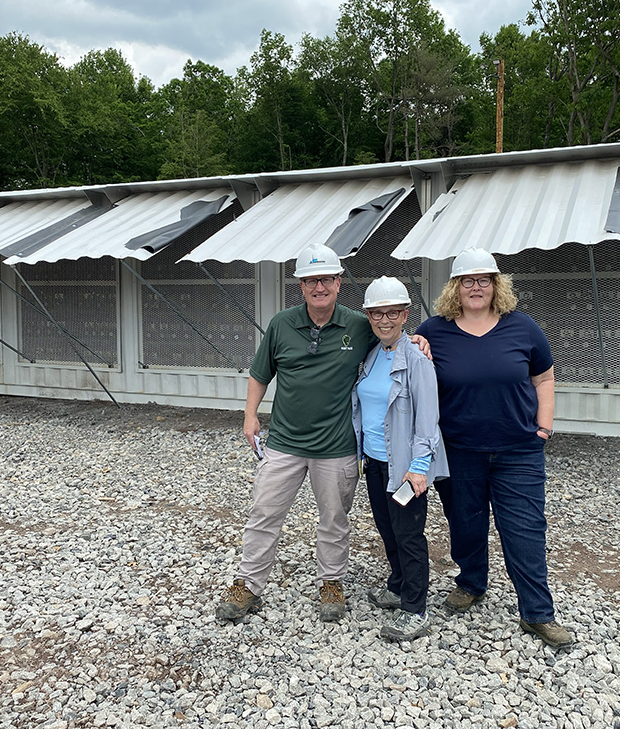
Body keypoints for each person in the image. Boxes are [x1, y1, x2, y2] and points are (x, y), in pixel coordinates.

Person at [415, 247, 573, 648]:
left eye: (484, 280)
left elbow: (545, 378)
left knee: (525, 529)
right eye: (467, 280)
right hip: (459, 450)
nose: (476, 287)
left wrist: (545, 425)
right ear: (455, 287)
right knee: (465, 524)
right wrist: (414, 343)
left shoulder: (522, 327)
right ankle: (472, 582)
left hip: (518, 450)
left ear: (496, 284)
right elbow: (410, 367)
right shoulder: (434, 330)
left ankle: (537, 612)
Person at [215, 243, 379, 623]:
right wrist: (250, 416)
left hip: (337, 446)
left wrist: (418, 340)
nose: (318, 286)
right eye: (310, 281)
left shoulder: (359, 325)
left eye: (325, 279)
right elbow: (260, 373)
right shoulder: (281, 324)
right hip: (284, 443)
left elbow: (392, 341)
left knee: (334, 519)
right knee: (263, 513)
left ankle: (331, 583)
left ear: (339, 282)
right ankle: (249, 585)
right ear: (301, 287)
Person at [351, 277, 448, 642]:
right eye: (378, 313)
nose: (385, 319)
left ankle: (415, 608)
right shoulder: (374, 354)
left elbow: (428, 418)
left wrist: (420, 466)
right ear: (369, 316)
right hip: (375, 463)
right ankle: (397, 584)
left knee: (409, 536)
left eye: (393, 312)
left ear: (406, 314)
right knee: (387, 530)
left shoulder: (417, 359)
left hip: (405, 467)